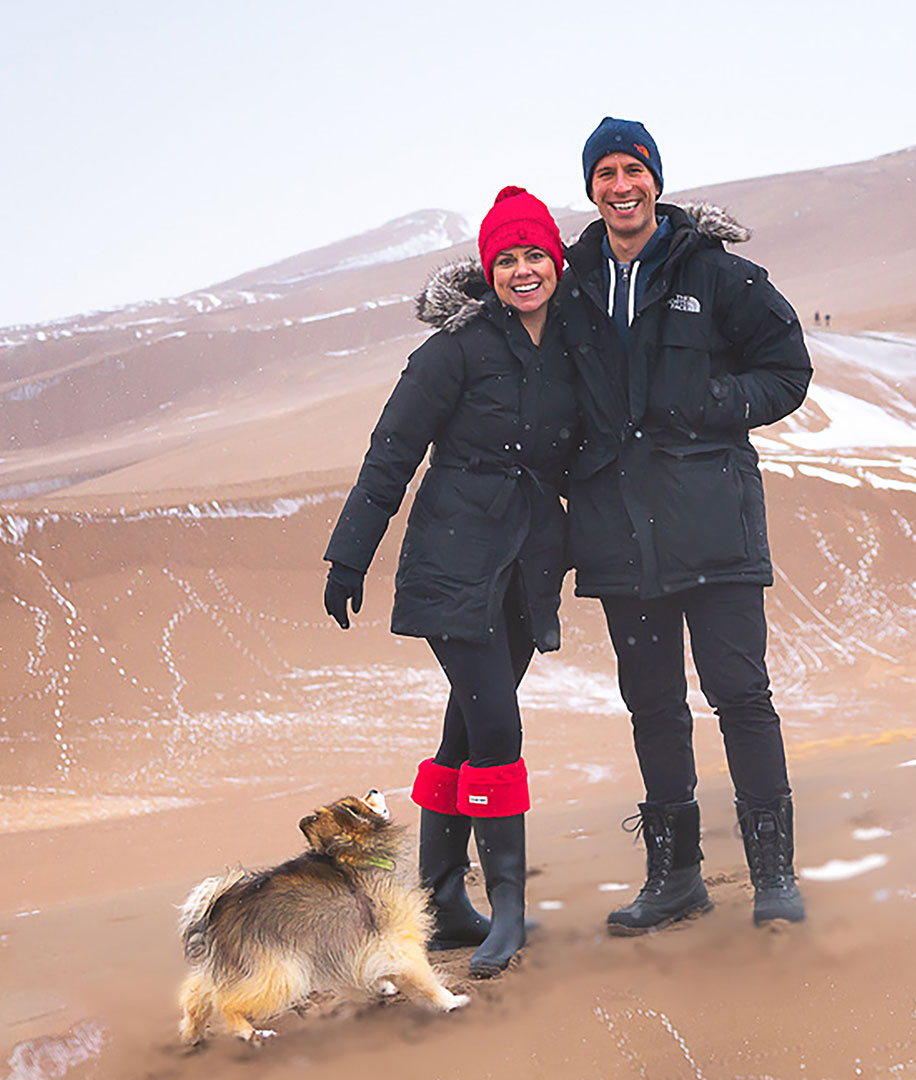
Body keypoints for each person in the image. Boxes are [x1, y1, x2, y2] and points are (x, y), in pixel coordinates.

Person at [556, 117, 812, 931]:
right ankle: (675, 878)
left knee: (741, 695)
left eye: (634, 170)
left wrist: (713, 406)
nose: (620, 186)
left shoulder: (719, 275)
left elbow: (788, 370)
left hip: (715, 527)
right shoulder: (568, 284)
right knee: (653, 706)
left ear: (656, 182)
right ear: (591, 188)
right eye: (606, 174)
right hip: (619, 536)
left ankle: (773, 874)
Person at [322, 186, 574, 977]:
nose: (523, 270)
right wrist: (349, 556)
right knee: (497, 726)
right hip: (453, 562)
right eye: (508, 258)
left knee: (466, 730)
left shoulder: (572, 346)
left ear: (557, 263)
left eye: (536, 255)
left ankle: (435, 901)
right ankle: (505, 910)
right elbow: (392, 450)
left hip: (528, 565)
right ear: (488, 270)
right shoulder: (452, 352)